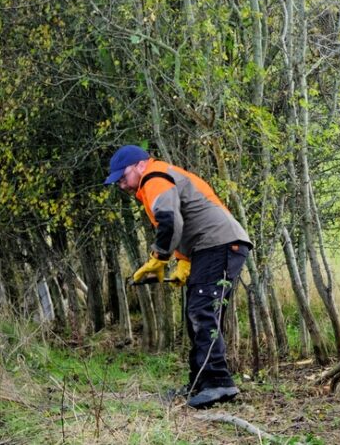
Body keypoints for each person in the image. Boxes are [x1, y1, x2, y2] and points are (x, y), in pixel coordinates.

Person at [103, 145, 252, 409]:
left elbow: (171, 222)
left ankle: (219, 382)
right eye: (118, 182)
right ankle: (201, 384)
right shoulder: (157, 178)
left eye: (123, 177)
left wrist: (158, 259)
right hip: (210, 247)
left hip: (219, 244)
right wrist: (183, 262)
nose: (122, 185)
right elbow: (187, 221)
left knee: (203, 311)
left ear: (139, 165)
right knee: (197, 313)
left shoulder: (154, 177)